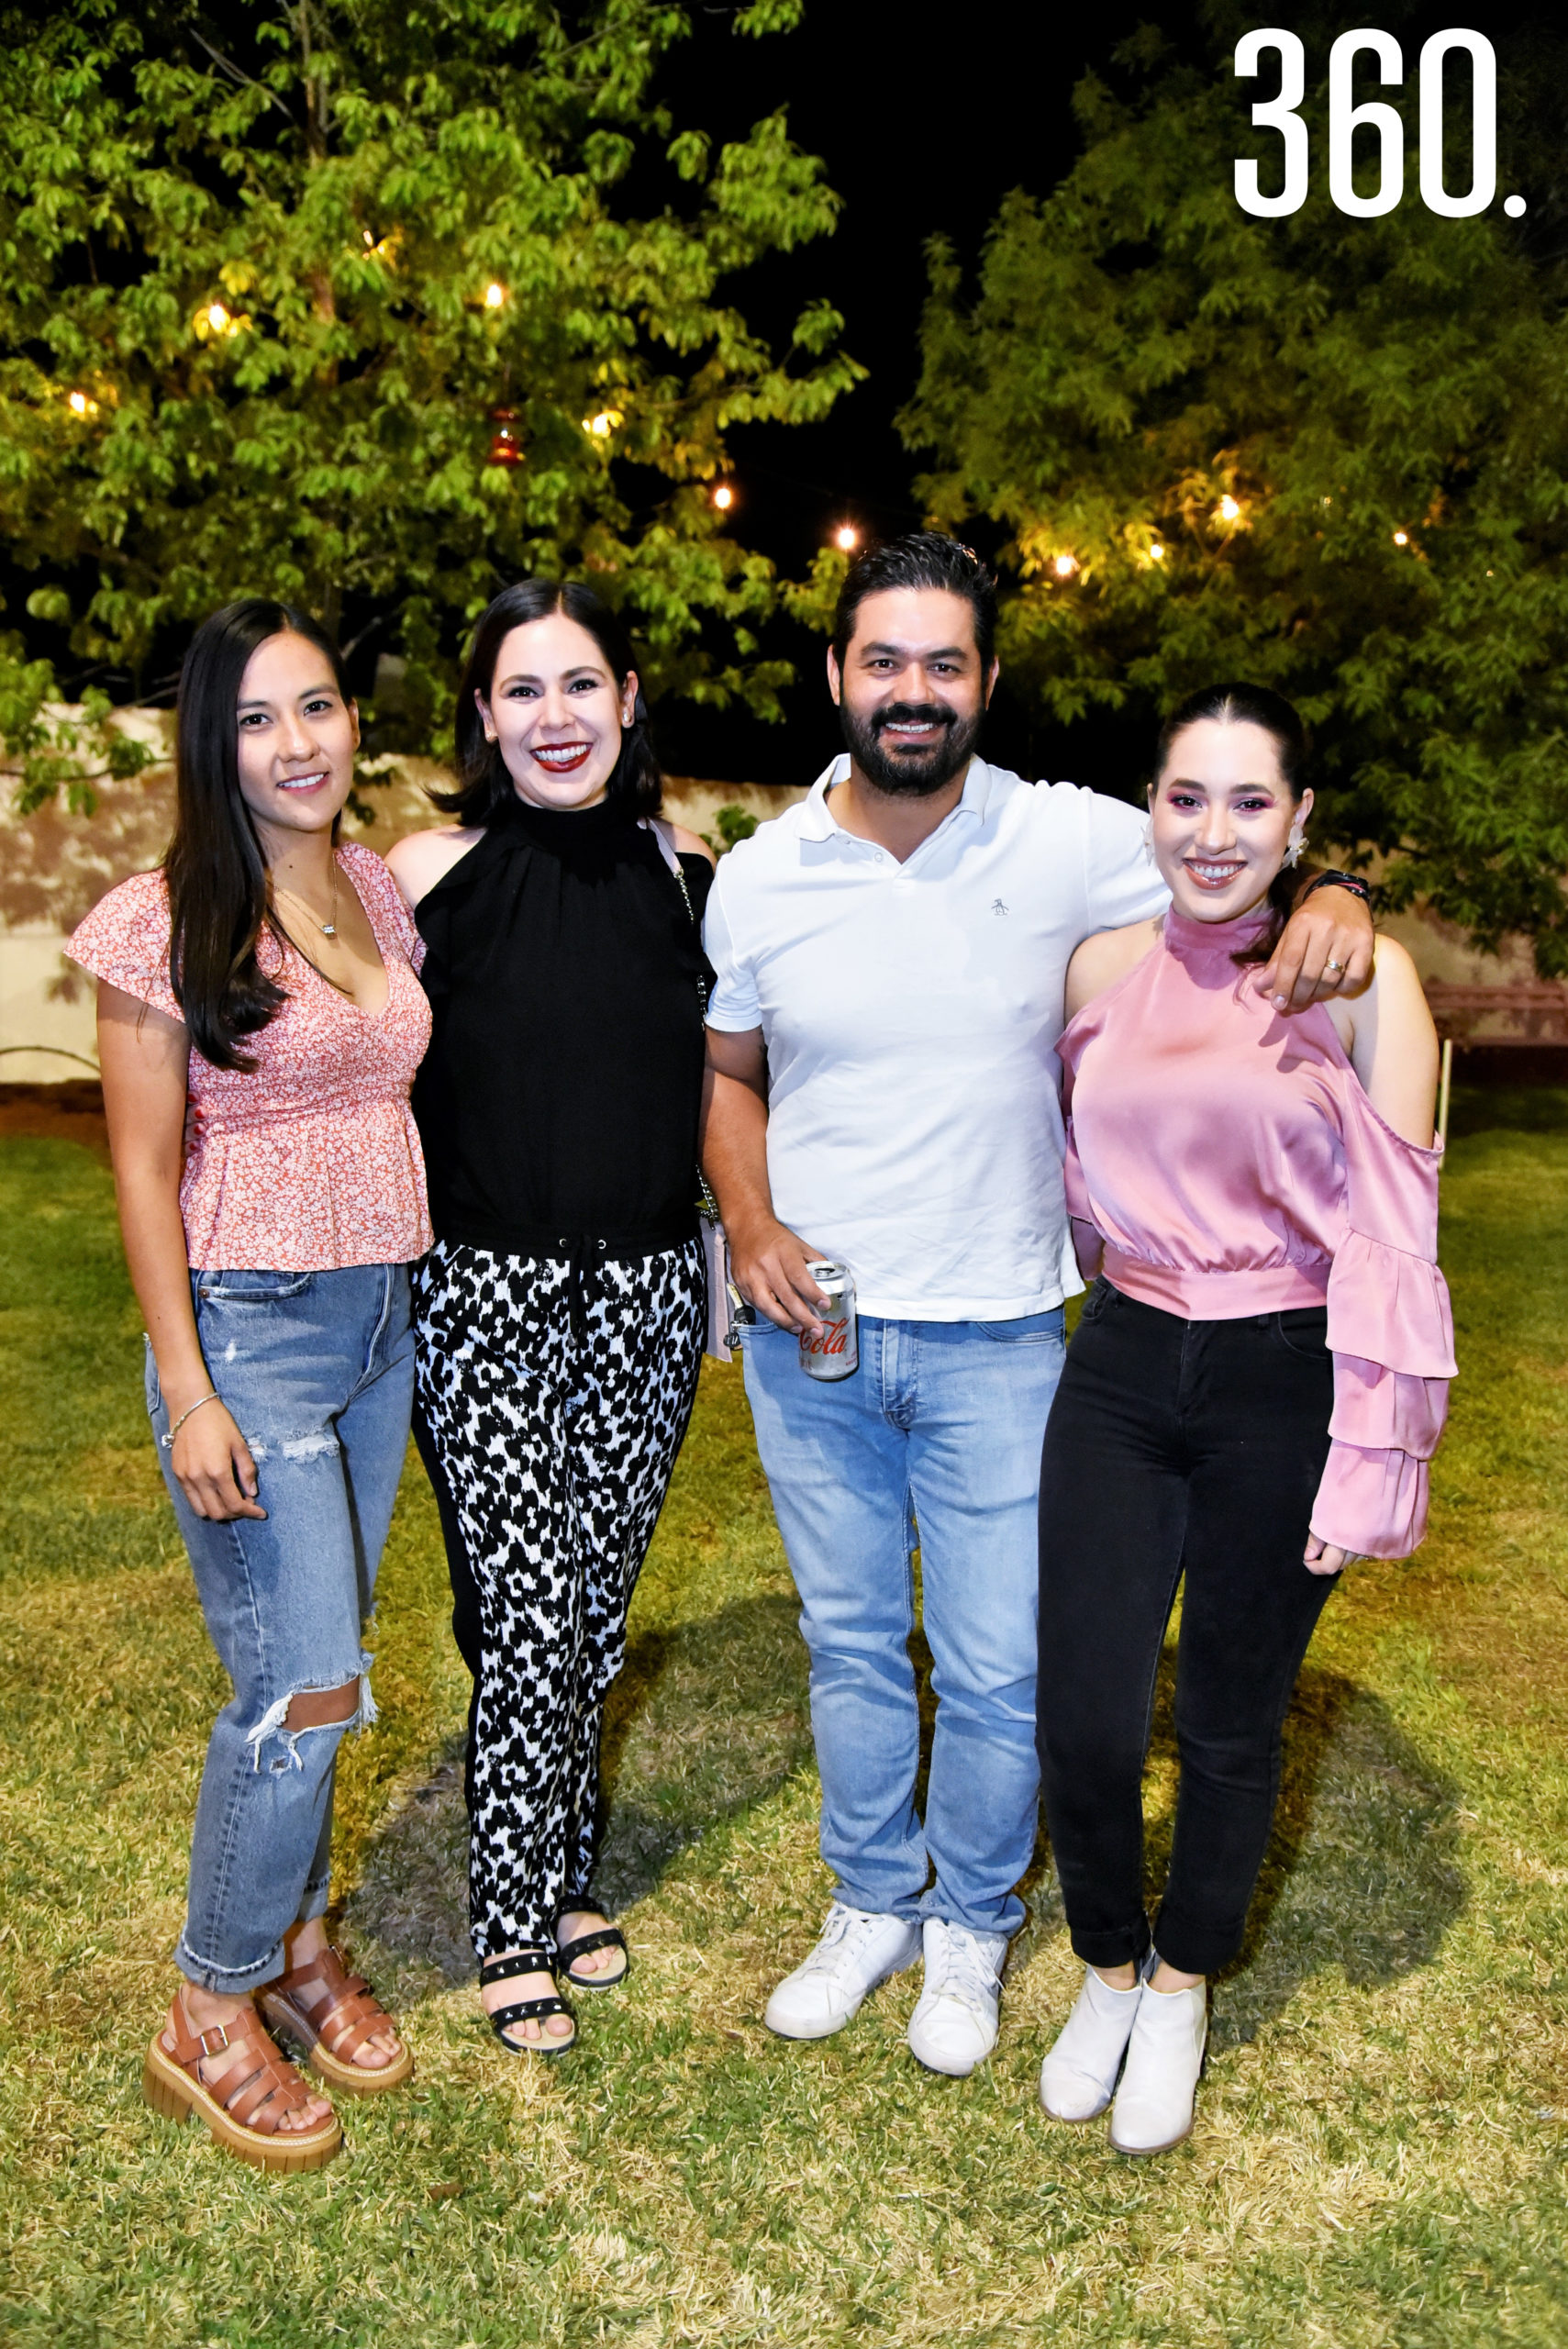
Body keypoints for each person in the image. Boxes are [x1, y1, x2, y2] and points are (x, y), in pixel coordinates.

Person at [699, 531, 1376, 2078]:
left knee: (1005, 1664)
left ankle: (972, 1925)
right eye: (884, 660)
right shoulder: (755, 875)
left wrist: (1343, 881)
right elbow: (727, 1074)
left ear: (986, 682)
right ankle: (872, 1896)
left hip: (1005, 1329)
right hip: (811, 1334)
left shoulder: (1070, 836)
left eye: (946, 662)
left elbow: (1238, 844)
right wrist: (745, 1217)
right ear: (837, 677)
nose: (913, 690)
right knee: (855, 1641)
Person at [1033, 683, 1452, 2156]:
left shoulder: (1362, 980)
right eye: (1186, 798)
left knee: (1226, 1717)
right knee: (1081, 1715)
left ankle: (1184, 1981)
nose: (1213, 835)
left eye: (1249, 804)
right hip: (1125, 1361)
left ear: (1299, 822)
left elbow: (1400, 1237)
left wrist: (1370, 1457)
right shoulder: (1093, 968)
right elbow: (1078, 1181)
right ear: (1148, 806)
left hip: (1287, 1371)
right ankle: (1102, 1964)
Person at [68, 600, 430, 2173]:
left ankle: (288, 1944)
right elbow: (143, 1172)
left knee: (322, 1669)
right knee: (300, 1687)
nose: (299, 743)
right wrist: (187, 1384)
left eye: (321, 707)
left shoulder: (370, 888)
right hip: (252, 1334)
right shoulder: (160, 920)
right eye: (258, 718)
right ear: (212, 746)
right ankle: (208, 2001)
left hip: (378, 1327)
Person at [386, 580, 715, 2056]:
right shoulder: (421, 871)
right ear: (482, 715)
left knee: (586, 1613)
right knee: (521, 1609)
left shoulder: (686, 871)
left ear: (628, 697)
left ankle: (565, 1863)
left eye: (580, 685)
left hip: (647, 1289)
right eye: (522, 690)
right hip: (482, 1291)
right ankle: (512, 1914)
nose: (555, 717)